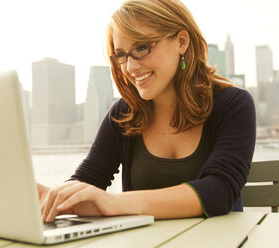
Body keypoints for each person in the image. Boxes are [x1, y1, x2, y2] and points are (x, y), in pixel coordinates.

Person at [39, 0, 256, 223]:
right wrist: (49, 196)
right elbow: (87, 180)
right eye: (121, 55)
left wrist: (113, 203)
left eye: (142, 48)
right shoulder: (122, 114)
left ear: (181, 42)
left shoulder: (233, 104)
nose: (130, 68)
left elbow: (219, 191)